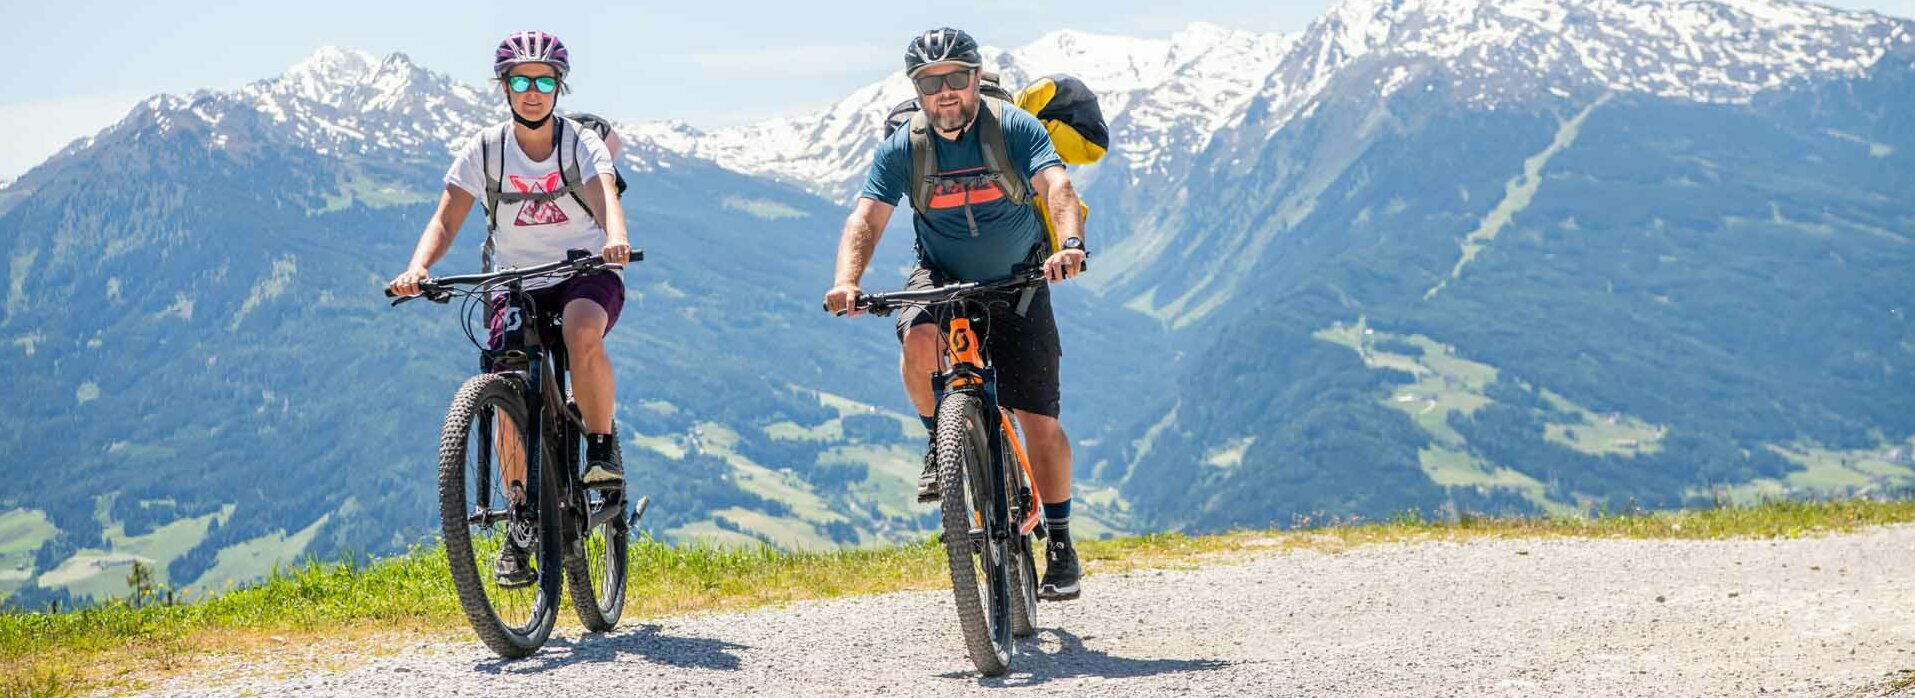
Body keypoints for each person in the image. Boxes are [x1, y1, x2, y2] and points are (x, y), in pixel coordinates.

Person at [823, 28, 1091, 601]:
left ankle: (1062, 545)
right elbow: (866, 220)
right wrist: (847, 282)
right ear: (917, 90)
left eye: (954, 78)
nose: (943, 91)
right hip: (941, 276)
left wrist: (1070, 244)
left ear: (975, 78)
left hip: (1019, 278)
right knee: (919, 339)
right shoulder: (905, 146)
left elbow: (1056, 185)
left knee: (1037, 419)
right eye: (929, 82)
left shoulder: (1011, 127)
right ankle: (939, 442)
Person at [387, 30, 632, 587]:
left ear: (559, 87)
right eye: (520, 80)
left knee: (579, 330)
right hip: (515, 280)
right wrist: (418, 267)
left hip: (585, 272)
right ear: (504, 87)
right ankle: (521, 519)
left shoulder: (578, 145)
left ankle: (597, 451)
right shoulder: (486, 150)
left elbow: (606, 200)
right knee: (507, 379)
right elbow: (446, 218)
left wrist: (615, 238)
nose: (532, 91)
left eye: (544, 80)